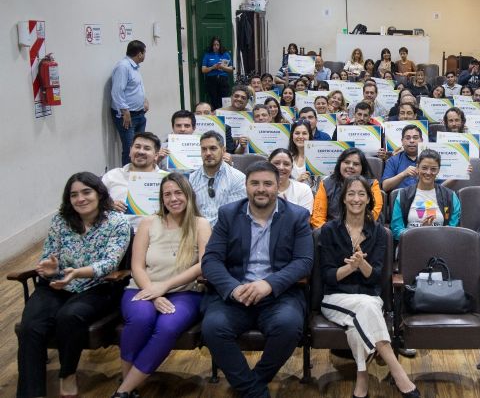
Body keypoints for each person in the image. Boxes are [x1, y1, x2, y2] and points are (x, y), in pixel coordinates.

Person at [201, 161, 313, 398]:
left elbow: (303, 262)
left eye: (267, 184)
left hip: (278, 295)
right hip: (236, 294)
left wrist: (269, 284)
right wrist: (233, 288)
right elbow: (210, 260)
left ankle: (253, 383)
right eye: (255, 183)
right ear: (246, 186)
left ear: (278, 186)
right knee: (213, 327)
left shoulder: (297, 216)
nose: (261, 189)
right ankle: (255, 391)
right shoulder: (229, 214)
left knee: (289, 326)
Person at [17, 172, 130, 398]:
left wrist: (76, 273)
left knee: (70, 316)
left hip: (98, 287)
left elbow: (109, 263)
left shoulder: (117, 223)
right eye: (74, 195)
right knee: (30, 326)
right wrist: (50, 268)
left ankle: (67, 373)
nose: (80, 199)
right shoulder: (60, 221)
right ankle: (31, 393)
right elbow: (50, 257)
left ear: (99, 193)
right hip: (58, 284)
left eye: (86, 192)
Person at [319, 176, 421, 398]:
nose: (356, 199)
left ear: (368, 199)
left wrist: (361, 264)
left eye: (361, 194)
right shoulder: (329, 230)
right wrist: (350, 268)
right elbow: (328, 276)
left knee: (361, 318)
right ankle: (398, 372)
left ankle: (362, 378)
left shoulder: (379, 232)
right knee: (367, 308)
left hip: (369, 297)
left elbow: (376, 279)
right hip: (336, 298)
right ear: (343, 199)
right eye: (351, 194)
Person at [113, 173, 211, 397]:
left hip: (185, 292)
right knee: (141, 319)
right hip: (142, 287)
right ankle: (129, 386)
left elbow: (203, 266)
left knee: (167, 327)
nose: (173, 198)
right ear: (161, 198)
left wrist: (163, 287)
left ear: (188, 195)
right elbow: (137, 266)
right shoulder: (148, 222)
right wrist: (154, 293)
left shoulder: (201, 223)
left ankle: (123, 390)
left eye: (178, 192)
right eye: (167, 194)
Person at [390, 149, 461, 241]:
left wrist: (438, 232)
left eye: (433, 169)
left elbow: (453, 229)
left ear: (438, 170)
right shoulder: (403, 195)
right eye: (424, 168)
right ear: (417, 168)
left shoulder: (450, 196)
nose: (428, 172)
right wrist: (419, 232)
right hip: (410, 244)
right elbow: (396, 230)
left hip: (441, 244)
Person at [102, 132, 165, 230]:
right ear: (130, 151)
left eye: (147, 148)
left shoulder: (166, 179)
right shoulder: (112, 176)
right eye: (137, 147)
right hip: (116, 234)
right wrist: (107, 205)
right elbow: (94, 203)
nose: (141, 151)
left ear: (156, 155)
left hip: (156, 234)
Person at [311, 148, 383, 228]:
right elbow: (318, 218)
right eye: (346, 162)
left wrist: (356, 232)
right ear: (340, 164)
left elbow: (375, 211)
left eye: (356, 164)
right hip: (332, 234)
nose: (350, 166)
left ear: (362, 167)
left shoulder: (372, 184)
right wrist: (330, 234)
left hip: (364, 231)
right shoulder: (326, 184)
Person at [189, 131, 247, 227]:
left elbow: (235, 216)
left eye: (213, 148)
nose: (207, 153)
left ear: (223, 150)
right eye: (204, 149)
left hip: (225, 234)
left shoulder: (238, 178)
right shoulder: (191, 179)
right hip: (197, 232)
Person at [111, 40, 149, 167]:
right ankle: (128, 179)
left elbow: (135, 87)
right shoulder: (123, 67)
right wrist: (124, 111)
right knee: (130, 150)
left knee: (141, 148)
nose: (145, 55)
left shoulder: (135, 67)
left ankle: (140, 173)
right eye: (144, 53)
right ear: (139, 54)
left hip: (139, 114)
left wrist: (144, 100)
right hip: (128, 116)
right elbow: (117, 91)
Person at [268, 148, 314, 213]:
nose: (281, 167)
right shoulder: (259, 188)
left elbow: (305, 220)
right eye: (276, 163)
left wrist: (287, 209)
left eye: (286, 164)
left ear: (292, 167)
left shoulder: (303, 189)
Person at [201, 36, 234, 109]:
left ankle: (225, 114)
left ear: (220, 45)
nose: (216, 47)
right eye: (214, 45)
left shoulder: (225, 54)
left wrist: (222, 67)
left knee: (224, 99)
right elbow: (203, 70)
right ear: (212, 45)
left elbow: (231, 69)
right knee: (214, 100)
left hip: (223, 79)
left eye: (217, 45)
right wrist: (213, 67)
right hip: (211, 80)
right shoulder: (207, 55)